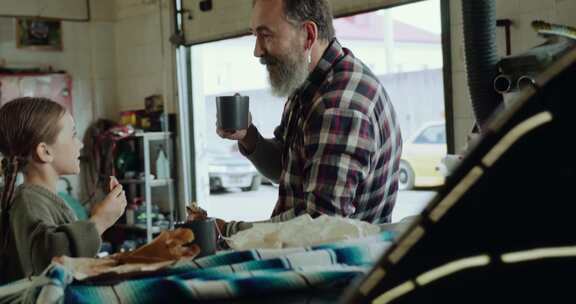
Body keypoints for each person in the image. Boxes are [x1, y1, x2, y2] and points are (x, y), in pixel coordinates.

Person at [209, 0, 402, 237]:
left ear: (308, 35)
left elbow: (318, 225)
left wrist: (228, 231)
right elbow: (285, 168)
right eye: (255, 36)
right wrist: (249, 136)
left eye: (266, 35)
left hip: (338, 267)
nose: (257, 51)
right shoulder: (309, 85)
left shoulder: (338, 107)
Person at [0, 97, 127, 284]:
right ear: (45, 152)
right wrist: (100, 221)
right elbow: (49, 259)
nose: (80, 144)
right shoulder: (29, 202)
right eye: (73, 135)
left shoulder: (42, 198)